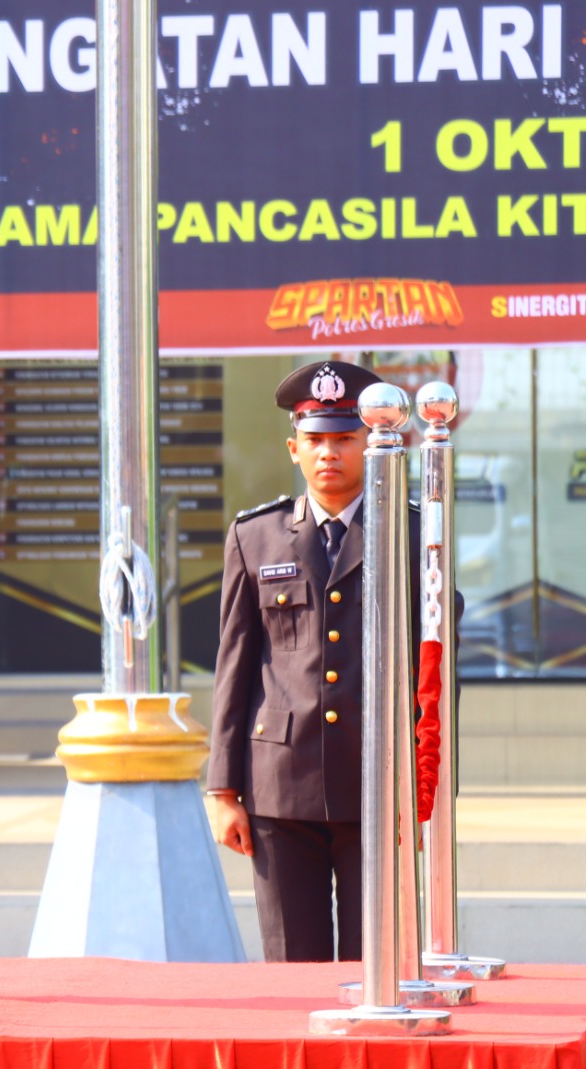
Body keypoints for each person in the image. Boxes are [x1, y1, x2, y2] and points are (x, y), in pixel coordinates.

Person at [206, 360, 425, 963]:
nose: (329, 453)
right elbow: (236, 666)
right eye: (316, 440)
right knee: (289, 966)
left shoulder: (411, 535)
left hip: (376, 783)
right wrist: (222, 788)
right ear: (293, 450)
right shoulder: (256, 537)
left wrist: (425, 791)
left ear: (371, 443)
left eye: (344, 438)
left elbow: (435, 673)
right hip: (278, 786)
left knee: (374, 965)